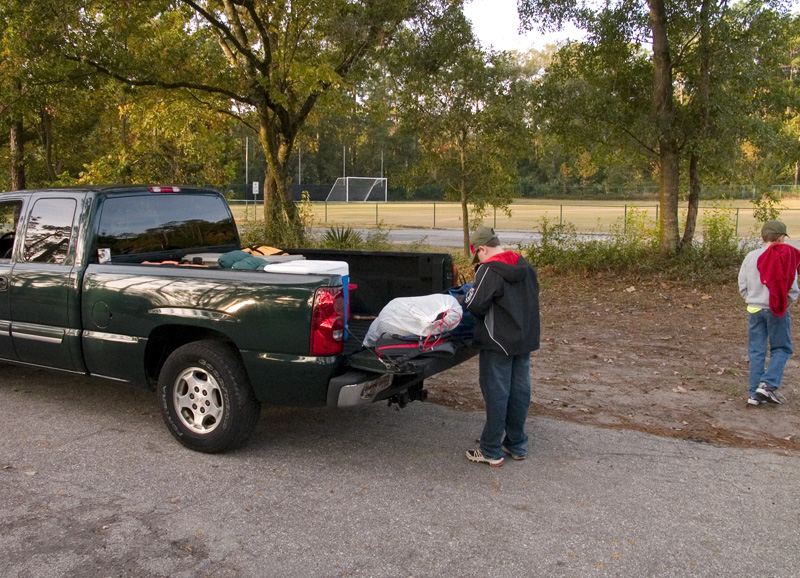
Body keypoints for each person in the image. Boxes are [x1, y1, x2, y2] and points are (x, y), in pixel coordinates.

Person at [463, 227, 540, 466]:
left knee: (497, 393)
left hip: (497, 342)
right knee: (519, 391)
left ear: (483, 249)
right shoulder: (525, 266)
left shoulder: (489, 270)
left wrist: (468, 293)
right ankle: (516, 444)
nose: (480, 260)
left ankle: (491, 449)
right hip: (524, 338)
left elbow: (475, 305)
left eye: (479, 255)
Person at [738, 220, 800, 406]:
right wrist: (785, 303)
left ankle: (754, 395)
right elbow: (792, 288)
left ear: (763, 236)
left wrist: (752, 298)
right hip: (776, 310)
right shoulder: (785, 257)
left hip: (754, 309)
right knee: (782, 348)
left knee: (757, 351)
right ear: (781, 238)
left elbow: (742, 284)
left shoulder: (751, 256)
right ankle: (768, 384)